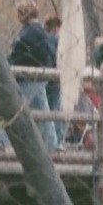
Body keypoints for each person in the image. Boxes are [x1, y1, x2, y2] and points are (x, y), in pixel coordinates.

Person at [0, 0, 60, 152]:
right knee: (43, 109)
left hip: (30, 77)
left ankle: (2, 142)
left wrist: (6, 64)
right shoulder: (37, 30)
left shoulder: (30, 32)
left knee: (15, 106)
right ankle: (51, 143)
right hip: (39, 75)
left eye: (19, 12)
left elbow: (19, 54)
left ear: (23, 13)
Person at [43, 15, 65, 146]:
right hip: (55, 78)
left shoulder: (43, 38)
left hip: (45, 77)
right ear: (56, 27)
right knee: (56, 108)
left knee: (47, 108)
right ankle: (57, 139)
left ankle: (49, 139)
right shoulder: (55, 39)